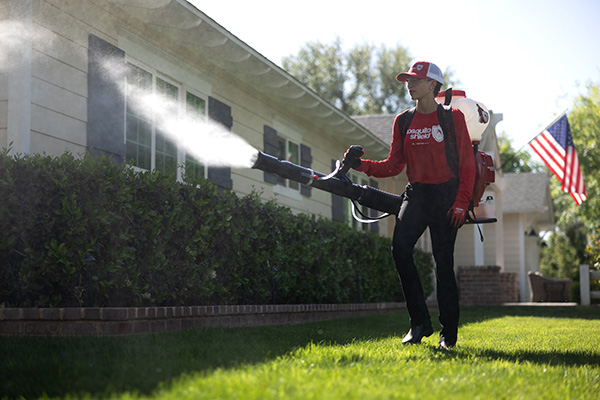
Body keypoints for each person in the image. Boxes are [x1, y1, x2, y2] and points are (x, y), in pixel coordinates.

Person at [344, 61, 475, 350]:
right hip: (416, 194)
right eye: (407, 80)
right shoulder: (403, 121)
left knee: (443, 265)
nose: (409, 84)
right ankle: (419, 323)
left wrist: (461, 203)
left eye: (416, 80)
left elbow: (467, 165)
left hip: (446, 196)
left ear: (432, 85)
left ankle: (447, 336)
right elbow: (394, 165)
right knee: (400, 250)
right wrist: (361, 165)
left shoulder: (452, 118)